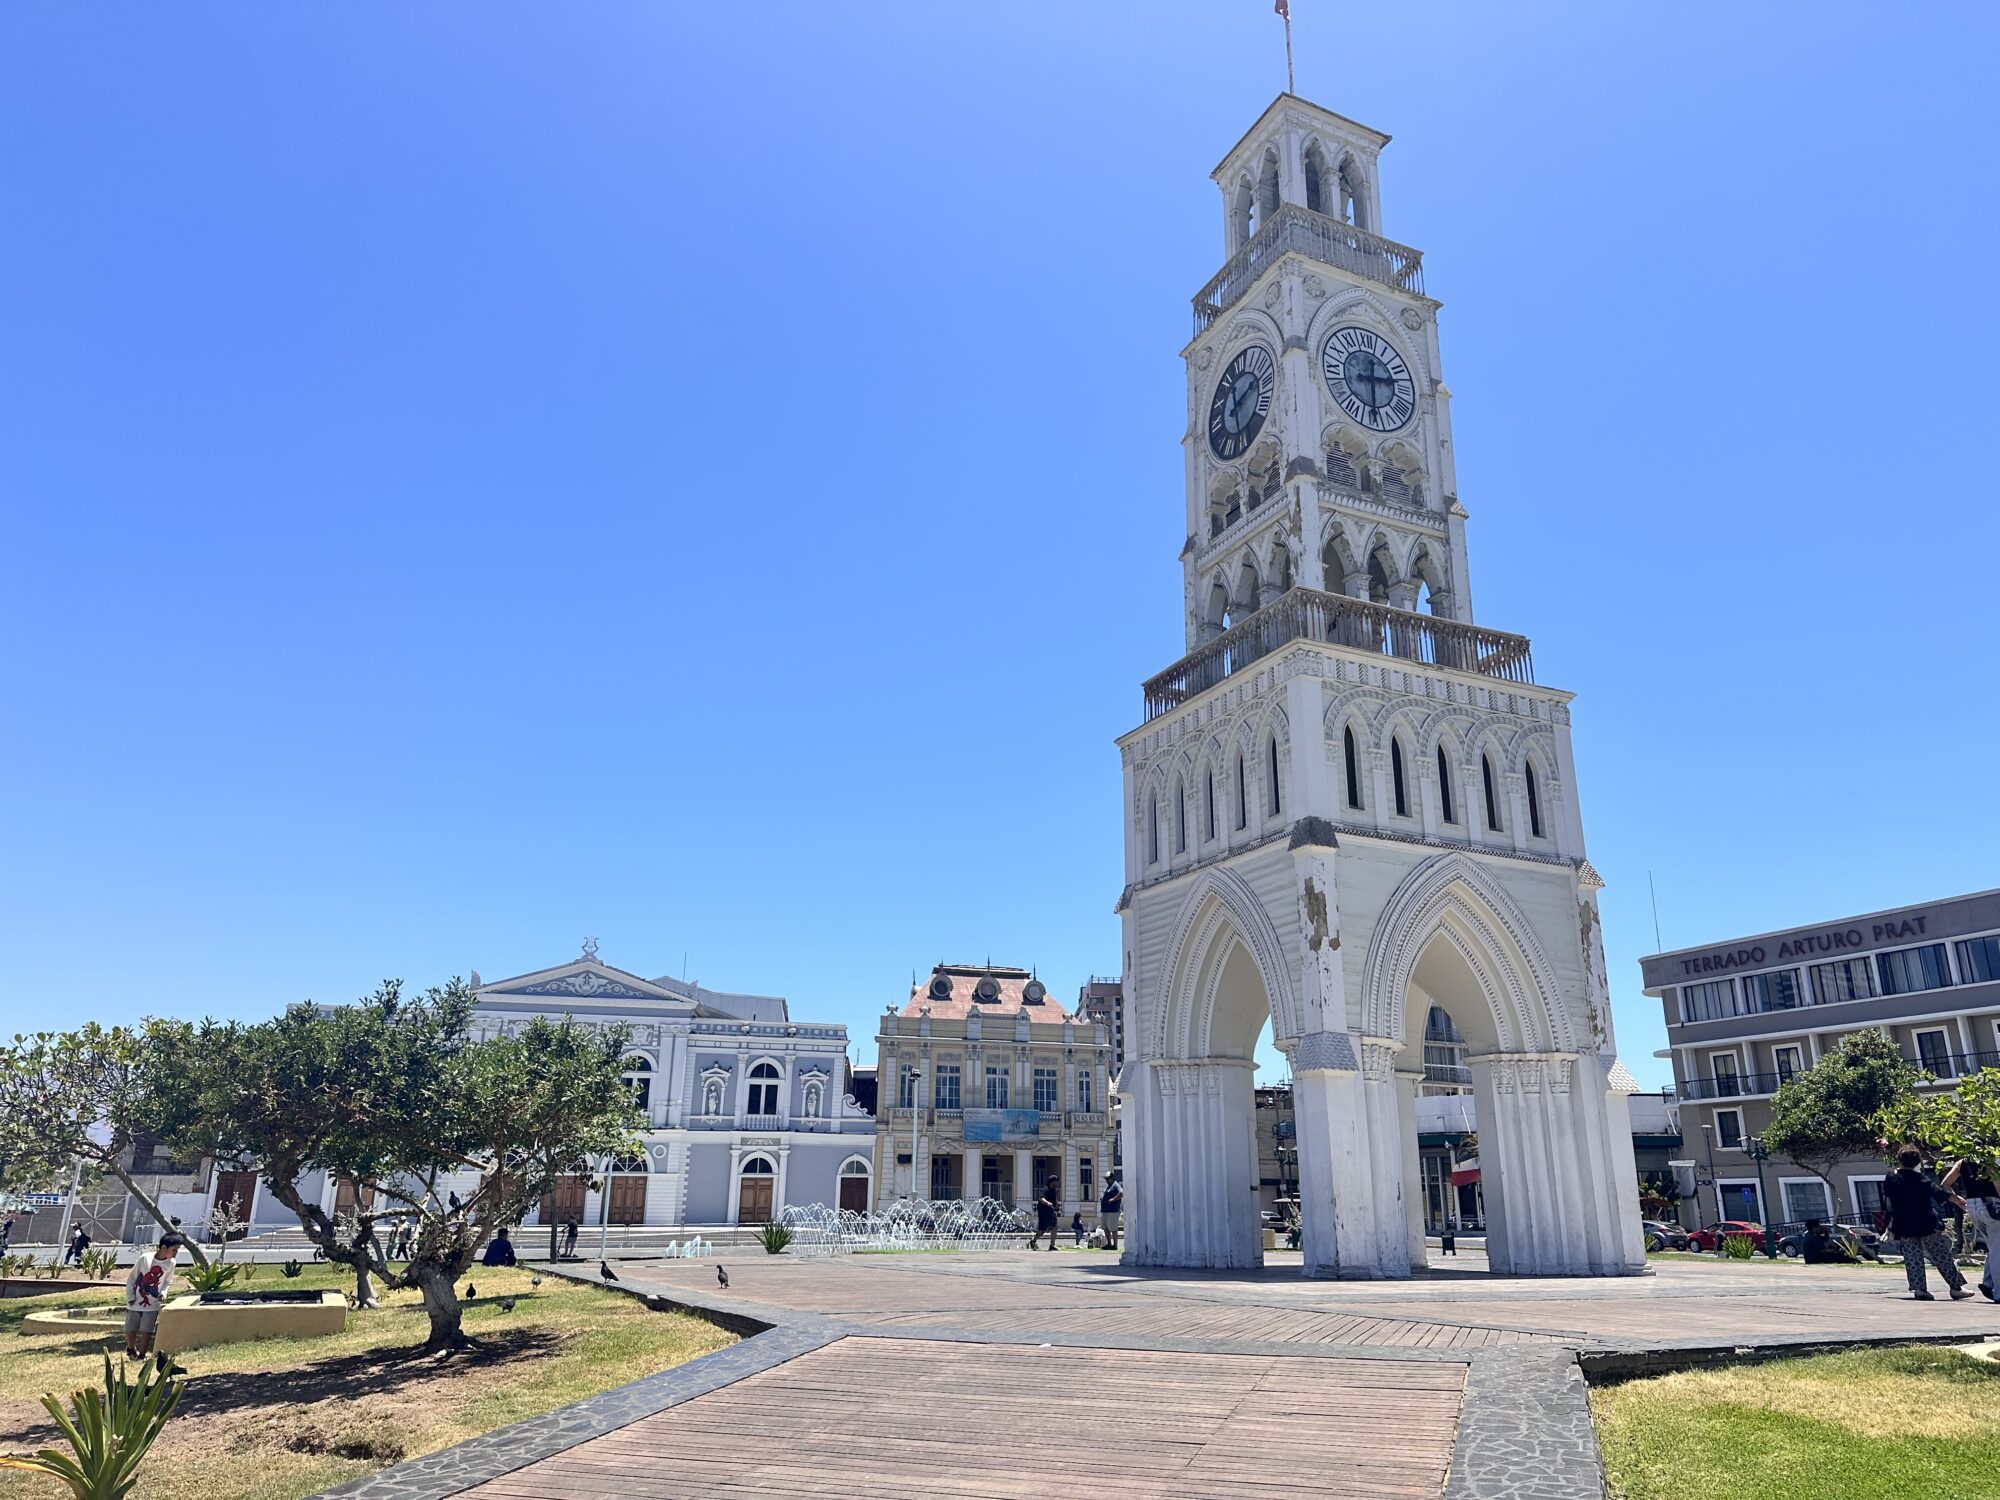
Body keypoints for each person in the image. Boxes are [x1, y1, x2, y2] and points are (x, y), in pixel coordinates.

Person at [1882, 1147, 1972, 1301]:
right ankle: (1956, 1287)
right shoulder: (1920, 1179)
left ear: (1900, 1160)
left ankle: (1919, 1289)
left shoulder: (1891, 1177)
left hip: (1903, 1223)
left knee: (1912, 1257)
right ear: (1918, 1161)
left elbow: (1888, 1197)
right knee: (1941, 1255)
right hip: (1926, 1223)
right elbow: (1938, 1192)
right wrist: (1956, 1199)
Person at [1944, 1161, 1998, 1302]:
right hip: (1992, 1204)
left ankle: (1988, 1283)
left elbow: (1945, 1184)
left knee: (1993, 1247)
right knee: (1997, 1250)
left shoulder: (1963, 1162)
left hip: (1973, 1206)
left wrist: (1956, 1198)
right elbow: (1997, 1183)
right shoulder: (1991, 1158)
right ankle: (1998, 1291)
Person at [124, 1233, 182, 1361]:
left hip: (153, 1302)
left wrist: (164, 1292)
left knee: (147, 1329)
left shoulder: (171, 1263)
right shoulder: (145, 1259)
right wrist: (130, 1296)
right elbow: (132, 1278)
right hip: (136, 1300)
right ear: (164, 1248)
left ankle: (142, 1354)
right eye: (174, 1249)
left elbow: (167, 1281)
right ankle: (131, 1348)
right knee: (130, 1328)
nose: (176, 1253)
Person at [1029, 1182, 1060, 1252]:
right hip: (1044, 1211)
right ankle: (1033, 1241)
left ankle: (1052, 1245)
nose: (1057, 1183)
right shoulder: (1045, 1189)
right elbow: (1041, 1198)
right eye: (1056, 1181)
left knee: (1055, 1226)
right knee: (1042, 1230)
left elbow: (1055, 1201)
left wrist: (1058, 1209)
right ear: (1052, 1182)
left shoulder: (1054, 1191)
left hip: (1051, 1211)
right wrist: (1047, 1203)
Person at [1098, 1175, 1123, 1251]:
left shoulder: (1116, 1185)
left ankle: (1115, 1245)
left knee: (1113, 1228)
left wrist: (1113, 1199)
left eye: (1108, 1179)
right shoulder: (1108, 1186)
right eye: (1106, 1179)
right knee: (1105, 1228)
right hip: (1105, 1210)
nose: (1106, 1180)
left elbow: (1121, 1193)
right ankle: (1109, 1244)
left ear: (1112, 1178)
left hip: (1113, 1211)